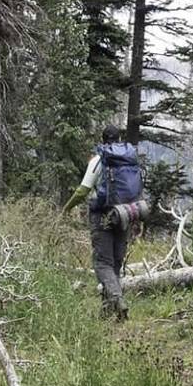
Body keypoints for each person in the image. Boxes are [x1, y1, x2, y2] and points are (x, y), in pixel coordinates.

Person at [65, 124, 144, 318]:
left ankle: (117, 300)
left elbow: (83, 190)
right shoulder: (130, 159)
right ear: (119, 139)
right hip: (125, 213)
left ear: (103, 139)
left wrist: (67, 208)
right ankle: (109, 312)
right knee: (116, 262)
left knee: (102, 263)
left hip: (102, 215)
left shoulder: (100, 160)